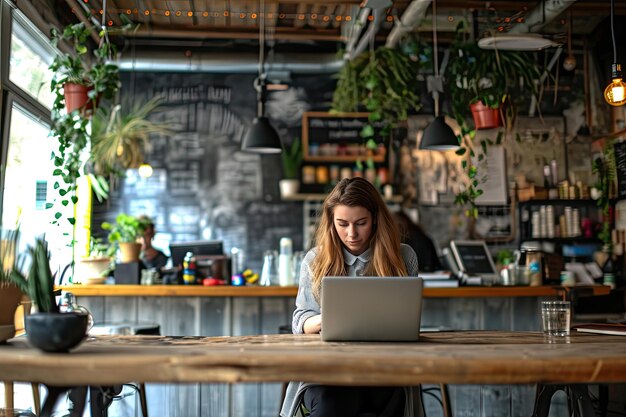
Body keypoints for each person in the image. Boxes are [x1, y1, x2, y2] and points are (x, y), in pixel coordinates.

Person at [280, 177, 423, 417]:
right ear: (331, 222)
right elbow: (300, 319)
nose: (351, 233)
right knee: (336, 401)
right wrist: (328, 320)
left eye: (361, 223)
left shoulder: (403, 256)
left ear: (376, 219)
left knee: (389, 397)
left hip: (386, 369)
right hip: (325, 372)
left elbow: (407, 319)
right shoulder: (315, 260)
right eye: (342, 223)